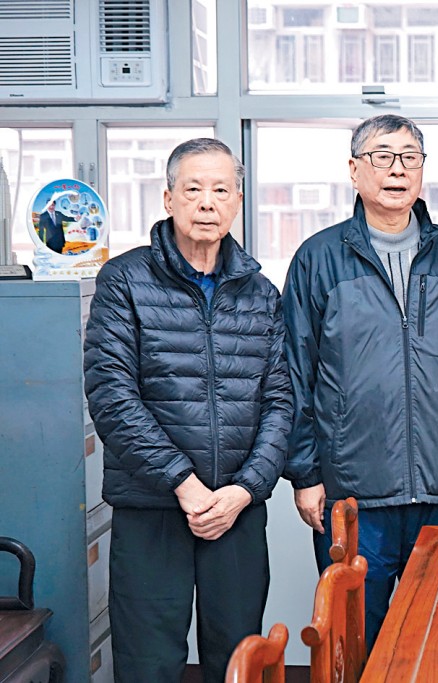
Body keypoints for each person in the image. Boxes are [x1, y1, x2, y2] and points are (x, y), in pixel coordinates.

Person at [83, 138, 292, 683]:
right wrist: (184, 483)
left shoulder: (260, 293)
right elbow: (111, 395)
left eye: (221, 190)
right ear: (168, 198)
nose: (206, 202)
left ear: (237, 200)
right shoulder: (124, 280)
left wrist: (245, 489)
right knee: (148, 662)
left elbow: (280, 401)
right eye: (193, 188)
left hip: (236, 509)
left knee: (238, 659)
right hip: (152, 506)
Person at [282, 114, 438, 652]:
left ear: (422, 170)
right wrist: (306, 473)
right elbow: (294, 374)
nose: (397, 169)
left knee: (437, 640)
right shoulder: (319, 258)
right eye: (382, 156)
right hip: (353, 493)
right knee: (356, 642)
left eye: (409, 158)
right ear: (355, 170)